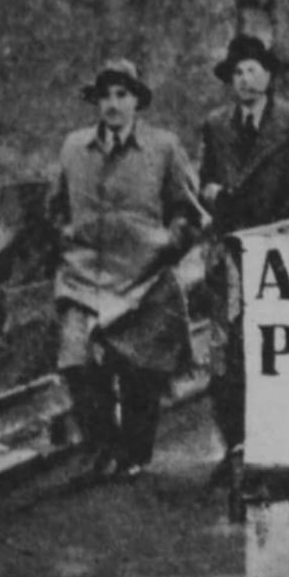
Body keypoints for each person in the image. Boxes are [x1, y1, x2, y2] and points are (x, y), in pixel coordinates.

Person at [51, 58, 206, 479]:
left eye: (122, 95)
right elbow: (55, 206)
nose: (113, 104)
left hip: (145, 278)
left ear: (137, 100)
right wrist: (70, 240)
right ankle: (102, 446)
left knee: (142, 371)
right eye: (105, 96)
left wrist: (166, 246)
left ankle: (134, 454)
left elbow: (189, 215)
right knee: (76, 362)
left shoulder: (164, 148)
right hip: (85, 275)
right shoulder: (73, 148)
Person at [199, 34, 289, 484]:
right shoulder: (216, 126)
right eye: (236, 72)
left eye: (252, 69)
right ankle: (233, 447)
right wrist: (216, 196)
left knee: (273, 351)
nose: (244, 78)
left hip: (277, 255)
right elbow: (205, 183)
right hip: (228, 255)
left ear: (268, 76)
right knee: (222, 357)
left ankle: (275, 447)